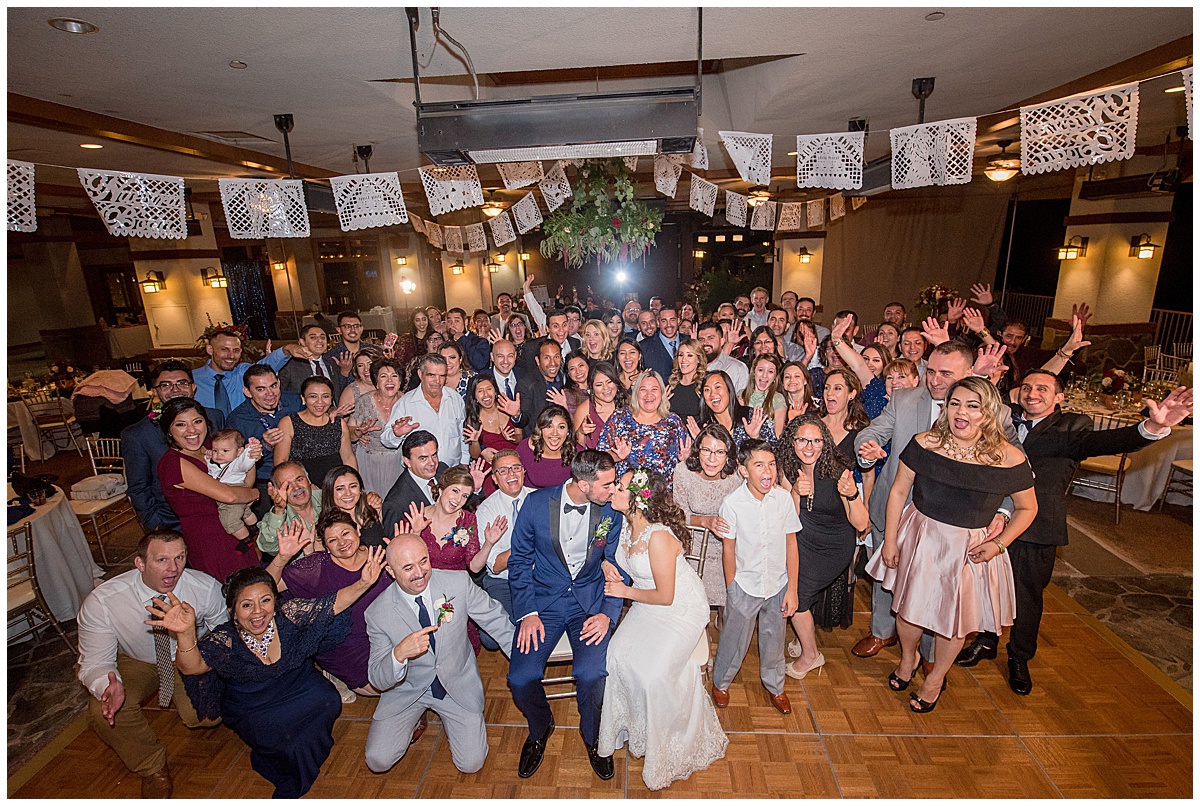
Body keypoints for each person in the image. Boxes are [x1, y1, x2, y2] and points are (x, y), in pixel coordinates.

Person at [955, 377, 1193, 695]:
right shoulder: (1001, 417)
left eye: (1042, 389)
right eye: (1027, 387)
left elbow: (1110, 442)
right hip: (989, 519)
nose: (1032, 393)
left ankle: (1019, 657)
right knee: (985, 584)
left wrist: (1151, 427)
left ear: (1059, 397)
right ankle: (986, 640)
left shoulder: (1071, 428)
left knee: (1026, 596)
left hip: (1036, 525)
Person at [865, 377, 1038, 713]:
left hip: (969, 547)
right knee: (907, 610)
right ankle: (908, 659)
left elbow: (1028, 508)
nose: (962, 412)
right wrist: (889, 539)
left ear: (988, 412)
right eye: (956, 403)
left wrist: (1000, 544)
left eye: (973, 406)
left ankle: (935, 679)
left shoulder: (1008, 456)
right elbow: (899, 491)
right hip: (920, 536)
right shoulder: (925, 443)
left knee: (954, 621)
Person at [151, 556, 383, 798]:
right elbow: (193, 667)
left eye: (265, 600)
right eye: (247, 605)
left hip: (298, 686)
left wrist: (364, 583)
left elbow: (332, 604)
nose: (258, 611)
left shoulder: (289, 615)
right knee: (288, 743)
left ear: (275, 601)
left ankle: (312, 746)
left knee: (329, 700)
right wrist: (186, 634)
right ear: (232, 611)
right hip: (254, 704)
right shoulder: (226, 639)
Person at [851, 341, 1012, 660]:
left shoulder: (995, 412)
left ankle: (927, 652)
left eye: (946, 373)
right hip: (894, 508)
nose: (936, 380)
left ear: (969, 373)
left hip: (947, 521)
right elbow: (873, 433)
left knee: (934, 591)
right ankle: (882, 631)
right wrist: (866, 449)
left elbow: (1016, 466)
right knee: (886, 575)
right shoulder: (904, 399)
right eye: (932, 371)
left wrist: (1004, 510)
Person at [597, 469, 728, 790]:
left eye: (621, 487)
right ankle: (634, 727)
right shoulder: (626, 526)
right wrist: (606, 564)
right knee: (614, 657)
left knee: (653, 673)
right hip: (647, 603)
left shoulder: (658, 537)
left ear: (638, 500)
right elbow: (618, 559)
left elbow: (666, 596)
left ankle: (670, 738)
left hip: (678, 608)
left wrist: (624, 592)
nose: (614, 489)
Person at [506, 450, 626, 781]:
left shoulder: (611, 513)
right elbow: (518, 563)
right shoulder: (535, 504)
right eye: (607, 484)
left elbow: (618, 566)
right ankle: (540, 726)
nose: (613, 490)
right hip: (542, 603)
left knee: (590, 674)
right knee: (520, 677)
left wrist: (607, 615)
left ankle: (592, 737)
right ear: (583, 484)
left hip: (589, 603)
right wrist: (527, 611)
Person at [77, 530, 225, 797]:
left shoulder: (206, 588)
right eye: (162, 560)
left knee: (203, 716)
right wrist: (106, 683)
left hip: (188, 654)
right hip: (137, 659)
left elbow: (227, 641)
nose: (174, 569)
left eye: (180, 557)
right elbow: (95, 660)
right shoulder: (103, 601)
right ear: (140, 563)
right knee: (104, 710)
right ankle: (151, 766)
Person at [363, 533, 516, 775]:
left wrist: (522, 660)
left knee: (471, 764)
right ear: (390, 572)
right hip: (408, 689)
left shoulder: (457, 583)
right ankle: (415, 715)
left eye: (423, 561)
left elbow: (495, 619)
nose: (419, 572)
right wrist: (399, 654)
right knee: (377, 760)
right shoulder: (377, 613)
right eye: (407, 567)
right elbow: (377, 678)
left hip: (456, 683)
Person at [710, 439, 799, 715]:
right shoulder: (732, 504)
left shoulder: (783, 499)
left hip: (777, 584)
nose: (768, 472)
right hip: (745, 585)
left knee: (774, 639)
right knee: (734, 638)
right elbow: (729, 549)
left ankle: (775, 685)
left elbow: (791, 544)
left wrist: (792, 588)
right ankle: (721, 682)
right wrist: (732, 587)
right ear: (744, 470)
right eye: (759, 465)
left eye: (772, 465)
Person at [777, 415, 869, 679]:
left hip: (833, 544)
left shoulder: (838, 470)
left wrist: (851, 493)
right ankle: (801, 637)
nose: (809, 447)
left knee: (799, 596)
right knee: (793, 586)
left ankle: (811, 656)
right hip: (803, 538)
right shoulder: (787, 466)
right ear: (792, 441)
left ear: (825, 443)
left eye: (816, 440)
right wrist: (794, 492)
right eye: (803, 440)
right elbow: (789, 520)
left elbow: (861, 523)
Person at [265, 512, 392, 700]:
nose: (342, 542)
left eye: (345, 533)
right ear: (325, 547)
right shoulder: (316, 567)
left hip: (385, 634)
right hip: (346, 643)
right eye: (332, 540)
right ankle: (333, 674)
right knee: (381, 687)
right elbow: (264, 588)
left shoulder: (378, 555)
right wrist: (282, 558)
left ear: (357, 530)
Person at [395, 465, 497, 656]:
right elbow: (405, 561)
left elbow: (474, 566)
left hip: (455, 593)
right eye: (455, 491)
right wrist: (416, 532)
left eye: (465, 496)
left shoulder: (467, 520)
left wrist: (489, 544)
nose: (458, 499)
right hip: (423, 591)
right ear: (441, 489)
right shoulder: (418, 516)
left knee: (458, 654)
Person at [157, 398, 262, 581]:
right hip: (211, 540)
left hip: (235, 528)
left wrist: (249, 459)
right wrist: (254, 494)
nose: (192, 430)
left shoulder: (211, 446)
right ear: (169, 431)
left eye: (197, 421)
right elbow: (229, 495)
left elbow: (243, 481)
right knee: (230, 593)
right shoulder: (173, 464)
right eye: (181, 425)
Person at [122, 360, 225, 532]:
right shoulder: (138, 434)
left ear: (193, 387)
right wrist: (156, 525)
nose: (176, 389)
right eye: (166, 385)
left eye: (182, 383)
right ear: (154, 391)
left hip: (222, 512)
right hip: (174, 522)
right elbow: (139, 487)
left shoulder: (214, 417)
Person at [672, 422, 742, 609]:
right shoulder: (683, 472)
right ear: (697, 451)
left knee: (728, 612)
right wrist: (705, 521)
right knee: (697, 611)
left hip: (728, 548)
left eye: (719, 452)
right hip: (693, 547)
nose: (712, 459)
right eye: (706, 451)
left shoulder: (737, 477)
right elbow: (676, 516)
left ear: (728, 456)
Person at [227, 364, 303, 518]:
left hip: (301, 476)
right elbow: (232, 464)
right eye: (261, 389)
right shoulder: (238, 420)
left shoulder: (295, 401)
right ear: (247, 392)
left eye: (273, 386)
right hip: (265, 483)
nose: (270, 394)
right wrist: (263, 446)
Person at [471, 449, 529, 625]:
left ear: (523, 471)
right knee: (497, 632)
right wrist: (528, 544)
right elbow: (495, 566)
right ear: (494, 479)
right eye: (503, 471)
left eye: (515, 468)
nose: (511, 474)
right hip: (503, 580)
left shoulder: (539, 500)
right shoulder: (486, 511)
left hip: (537, 577)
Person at [598, 370, 688, 482]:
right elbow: (599, 458)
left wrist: (686, 459)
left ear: (662, 393)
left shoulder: (673, 422)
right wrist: (617, 456)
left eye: (654, 389)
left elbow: (687, 455)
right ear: (636, 393)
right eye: (643, 389)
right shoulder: (619, 418)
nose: (648, 395)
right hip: (627, 493)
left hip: (662, 494)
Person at [382, 353, 466, 467]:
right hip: (420, 474)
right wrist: (396, 434)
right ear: (420, 374)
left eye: (442, 376)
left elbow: (463, 434)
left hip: (452, 470)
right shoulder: (406, 403)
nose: (437, 381)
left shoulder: (455, 398)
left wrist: (464, 462)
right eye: (431, 375)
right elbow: (385, 439)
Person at [274, 376, 357, 487]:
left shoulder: (339, 423)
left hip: (336, 487)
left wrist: (354, 484)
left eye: (325, 396)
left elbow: (348, 458)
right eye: (313, 396)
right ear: (303, 398)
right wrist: (304, 486)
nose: (320, 402)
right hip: (301, 489)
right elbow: (281, 463)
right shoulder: (288, 423)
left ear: (331, 398)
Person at [191, 328, 293, 418]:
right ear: (210, 350)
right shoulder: (192, 379)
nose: (231, 356)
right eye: (224, 350)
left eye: (235, 350)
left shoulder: (242, 372)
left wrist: (286, 350)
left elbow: (265, 367)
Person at [350, 357, 406, 497]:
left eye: (394, 376)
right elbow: (349, 433)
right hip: (369, 463)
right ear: (376, 381)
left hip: (399, 463)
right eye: (383, 376)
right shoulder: (364, 401)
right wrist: (359, 433)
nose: (389, 381)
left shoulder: (408, 401)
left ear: (400, 381)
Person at [381, 431, 448, 536]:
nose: (432, 463)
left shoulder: (443, 470)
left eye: (434, 455)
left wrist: (475, 488)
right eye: (423, 458)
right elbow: (395, 546)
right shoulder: (396, 504)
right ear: (407, 461)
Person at [463, 374, 521, 495]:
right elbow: (474, 454)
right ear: (474, 396)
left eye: (489, 389)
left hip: (514, 465)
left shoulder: (507, 409)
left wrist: (511, 438)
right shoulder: (473, 418)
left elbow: (519, 438)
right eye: (480, 391)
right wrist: (474, 441)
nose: (486, 394)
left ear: (495, 390)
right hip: (491, 470)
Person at [205, 428, 260, 546]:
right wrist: (208, 457)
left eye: (225, 450)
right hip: (230, 492)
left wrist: (251, 448)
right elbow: (211, 468)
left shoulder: (237, 464)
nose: (219, 454)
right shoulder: (219, 463)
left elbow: (246, 462)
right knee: (245, 512)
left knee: (230, 522)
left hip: (234, 491)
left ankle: (246, 539)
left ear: (239, 451)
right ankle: (255, 525)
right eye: (215, 450)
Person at [257, 461, 323, 558]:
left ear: (308, 480)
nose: (296, 487)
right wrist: (279, 509)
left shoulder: (329, 498)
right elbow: (268, 548)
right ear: (278, 491)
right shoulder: (277, 517)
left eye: (299, 479)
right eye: (287, 486)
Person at [829, 316, 890, 419]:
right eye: (865, 359)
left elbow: (859, 365)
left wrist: (837, 340)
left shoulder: (879, 387)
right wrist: (836, 339)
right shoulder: (849, 385)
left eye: (876, 360)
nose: (869, 364)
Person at [697, 370, 777, 449]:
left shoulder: (751, 417)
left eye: (717, 387)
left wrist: (756, 437)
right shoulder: (704, 427)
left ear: (729, 390)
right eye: (707, 390)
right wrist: (698, 446)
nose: (712, 394)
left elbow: (776, 451)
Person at [322, 465, 387, 547]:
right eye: (340, 489)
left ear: (360, 489)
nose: (348, 493)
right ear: (329, 493)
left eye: (353, 486)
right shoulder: (324, 526)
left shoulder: (373, 510)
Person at [277, 324, 346, 397]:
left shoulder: (332, 362)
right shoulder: (290, 366)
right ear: (302, 342)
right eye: (313, 337)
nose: (319, 341)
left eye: (323, 337)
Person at [517, 404, 576, 489]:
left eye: (561, 427)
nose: (555, 433)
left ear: (568, 431)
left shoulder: (577, 453)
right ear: (540, 429)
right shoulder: (525, 449)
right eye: (549, 426)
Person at [516, 339, 565, 438]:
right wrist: (516, 415)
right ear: (538, 361)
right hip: (538, 442)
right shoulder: (527, 384)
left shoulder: (563, 377)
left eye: (556, 357)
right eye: (547, 358)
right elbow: (525, 419)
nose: (553, 363)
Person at [573, 361, 624, 451]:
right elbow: (576, 449)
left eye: (609, 382)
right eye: (599, 385)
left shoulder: (628, 404)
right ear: (591, 388)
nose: (606, 388)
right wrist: (581, 432)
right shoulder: (584, 409)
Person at [696, 321, 749, 394]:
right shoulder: (692, 367)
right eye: (701, 339)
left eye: (710, 338)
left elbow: (742, 400)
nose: (705, 343)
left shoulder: (737, 368)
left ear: (722, 341)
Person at [744, 353, 787, 437]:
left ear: (775, 376)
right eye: (760, 370)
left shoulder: (778, 399)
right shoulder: (741, 395)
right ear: (753, 372)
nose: (764, 375)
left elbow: (778, 437)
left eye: (770, 371)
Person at [667, 337, 706, 422]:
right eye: (681, 355)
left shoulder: (705, 383)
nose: (684, 360)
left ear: (699, 359)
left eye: (690, 355)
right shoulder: (671, 383)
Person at [639, 306, 682, 381]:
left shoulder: (690, 340)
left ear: (678, 321)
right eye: (664, 321)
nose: (669, 325)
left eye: (672, 320)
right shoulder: (643, 347)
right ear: (658, 323)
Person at [445, 307, 491, 372]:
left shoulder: (479, 341)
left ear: (466, 322)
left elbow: (480, 364)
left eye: (456, 321)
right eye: (449, 321)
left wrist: (463, 339)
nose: (452, 325)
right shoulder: (446, 344)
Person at [556, 353, 592, 421]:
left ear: (588, 366)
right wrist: (565, 407)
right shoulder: (567, 394)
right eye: (572, 369)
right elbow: (572, 425)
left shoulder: (598, 387)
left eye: (581, 366)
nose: (578, 371)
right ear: (568, 373)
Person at [780, 360, 817, 424]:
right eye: (787, 377)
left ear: (805, 380)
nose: (792, 379)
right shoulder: (777, 406)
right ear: (783, 383)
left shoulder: (817, 405)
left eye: (797, 376)